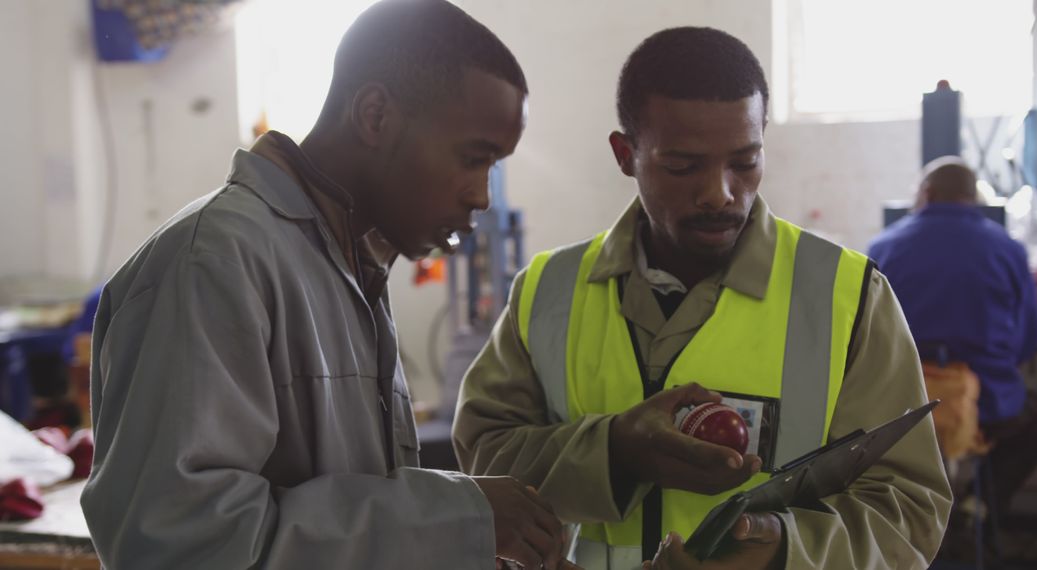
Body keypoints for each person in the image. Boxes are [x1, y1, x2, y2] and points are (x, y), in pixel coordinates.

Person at [80, 2, 574, 568]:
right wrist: (455, 517)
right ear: (375, 115)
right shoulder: (214, 261)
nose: (482, 196)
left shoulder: (348, 264)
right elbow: (177, 545)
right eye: (474, 158)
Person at [453, 27, 952, 569]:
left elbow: (908, 505)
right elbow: (484, 460)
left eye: (744, 162)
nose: (720, 192)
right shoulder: (547, 291)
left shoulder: (848, 297)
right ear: (626, 154)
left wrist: (784, 551)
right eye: (683, 166)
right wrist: (615, 451)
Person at [868, 158, 1037, 544]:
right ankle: (976, 512)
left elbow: (866, 337)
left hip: (904, 406)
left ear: (927, 193)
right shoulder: (1008, 248)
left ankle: (909, 524)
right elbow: (1028, 337)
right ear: (973, 199)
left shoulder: (883, 246)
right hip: (987, 402)